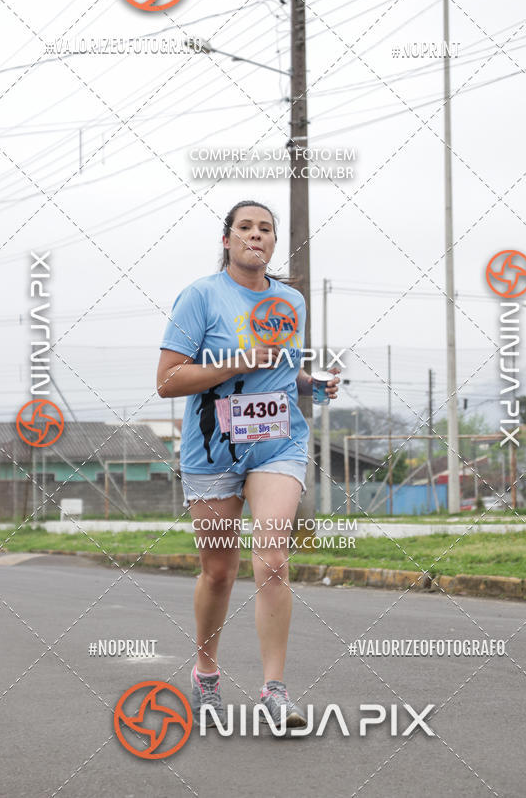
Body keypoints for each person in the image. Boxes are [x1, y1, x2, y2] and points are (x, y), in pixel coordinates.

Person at [156, 199, 340, 729]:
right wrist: (237, 362)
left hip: (276, 442)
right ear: (227, 239)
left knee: (273, 561)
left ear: (274, 243)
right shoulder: (200, 297)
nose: (255, 236)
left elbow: (278, 372)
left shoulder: (290, 301)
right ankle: (205, 672)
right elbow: (168, 380)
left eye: (266, 229)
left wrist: (312, 383)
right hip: (213, 448)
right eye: (245, 228)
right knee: (218, 571)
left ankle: (274, 691)